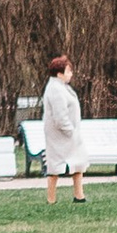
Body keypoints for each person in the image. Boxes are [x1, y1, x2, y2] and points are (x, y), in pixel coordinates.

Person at [40, 51, 86, 204]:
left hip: (68, 135)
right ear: (59, 73)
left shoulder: (62, 87)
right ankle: (51, 198)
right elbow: (60, 116)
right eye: (68, 71)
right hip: (60, 135)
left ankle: (79, 195)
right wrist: (70, 131)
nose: (71, 74)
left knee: (78, 163)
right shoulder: (55, 89)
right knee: (55, 167)